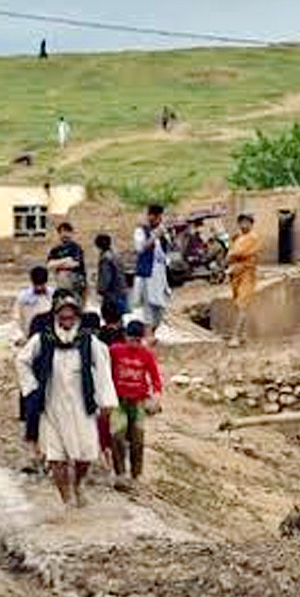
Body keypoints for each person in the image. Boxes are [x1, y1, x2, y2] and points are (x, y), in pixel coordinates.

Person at [16, 292, 117, 508]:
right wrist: (32, 388)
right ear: (56, 317)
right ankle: (67, 498)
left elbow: (103, 370)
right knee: (56, 457)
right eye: (62, 318)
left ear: (77, 318)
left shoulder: (89, 341)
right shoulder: (43, 339)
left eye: (70, 318)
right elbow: (22, 360)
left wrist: (106, 401)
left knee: (86, 453)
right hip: (53, 405)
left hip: (83, 406)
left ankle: (78, 484)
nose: (66, 323)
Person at [108, 319, 162, 491]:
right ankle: (120, 473)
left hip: (138, 401)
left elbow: (155, 378)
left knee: (137, 439)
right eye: (132, 340)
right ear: (125, 337)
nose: (134, 344)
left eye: (138, 341)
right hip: (118, 401)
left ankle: (136, 475)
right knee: (117, 436)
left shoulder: (146, 355)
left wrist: (156, 397)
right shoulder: (114, 351)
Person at [132, 204, 171, 336]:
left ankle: (151, 332)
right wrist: (154, 236)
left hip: (160, 275)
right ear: (149, 216)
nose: (156, 219)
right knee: (148, 305)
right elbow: (140, 248)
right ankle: (149, 336)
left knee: (160, 307)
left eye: (159, 216)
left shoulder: (163, 232)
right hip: (148, 274)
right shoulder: (140, 231)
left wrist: (162, 235)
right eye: (154, 216)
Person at [226, 212, 262, 347]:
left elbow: (236, 253)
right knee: (239, 305)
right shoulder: (239, 238)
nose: (243, 225)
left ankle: (235, 336)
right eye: (241, 222)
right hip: (236, 274)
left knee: (242, 305)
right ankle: (243, 335)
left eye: (246, 222)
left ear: (251, 224)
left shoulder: (252, 238)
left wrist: (232, 255)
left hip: (247, 273)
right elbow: (230, 254)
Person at [11, 265, 53, 346]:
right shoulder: (23, 298)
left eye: (41, 284)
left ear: (46, 282)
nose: (39, 288)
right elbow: (16, 319)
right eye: (37, 285)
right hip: (30, 338)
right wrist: (19, 337)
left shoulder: (54, 296)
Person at [47, 221, 86, 299]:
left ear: (71, 233)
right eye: (62, 232)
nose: (64, 234)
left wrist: (58, 263)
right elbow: (50, 265)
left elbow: (75, 264)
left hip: (75, 283)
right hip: (60, 283)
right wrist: (66, 260)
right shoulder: (55, 249)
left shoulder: (76, 248)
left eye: (67, 231)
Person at [94, 233, 127, 315]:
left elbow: (106, 278)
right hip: (120, 291)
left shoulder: (105, 258)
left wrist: (100, 290)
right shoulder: (115, 255)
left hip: (112, 294)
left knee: (111, 316)